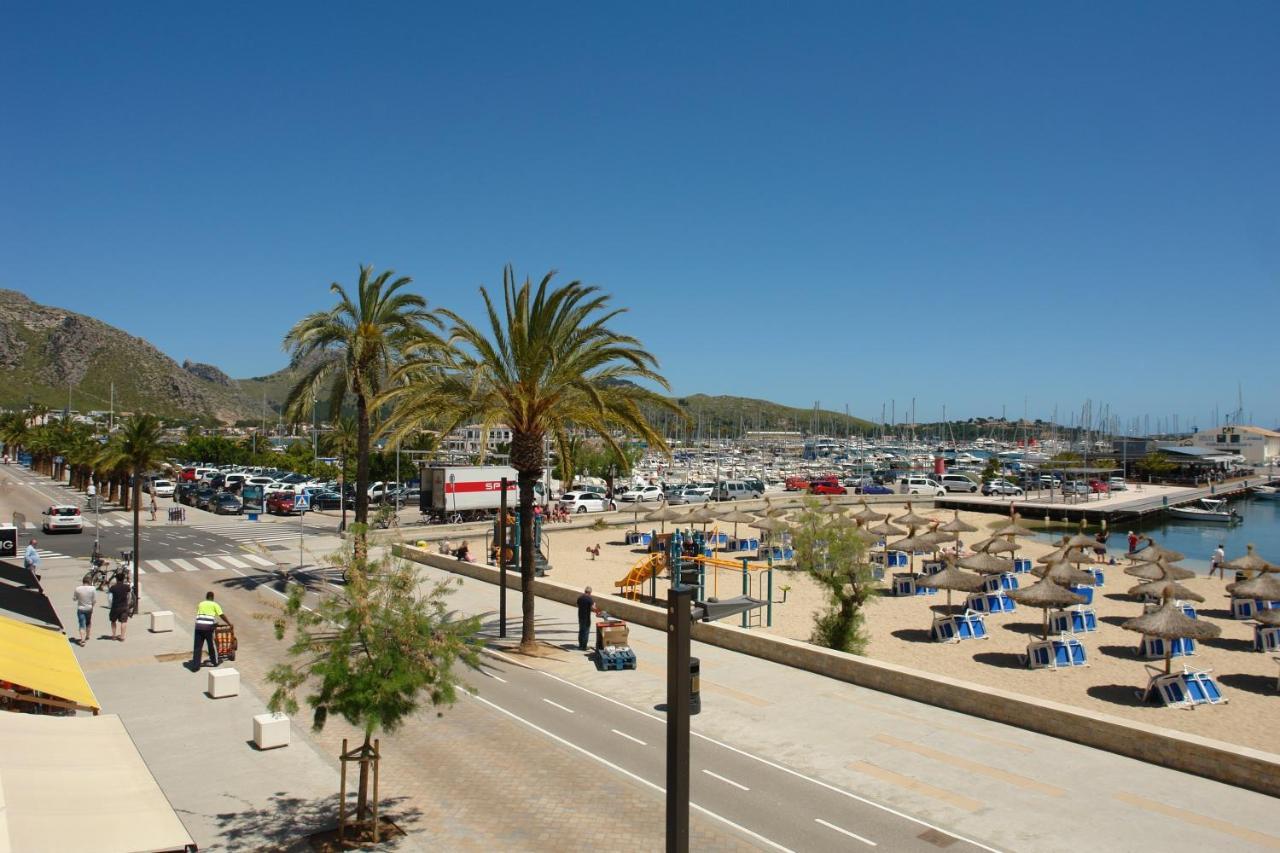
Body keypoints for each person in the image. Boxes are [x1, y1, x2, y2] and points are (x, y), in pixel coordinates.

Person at [191, 591, 232, 670]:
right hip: (208, 628)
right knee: (211, 645)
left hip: (198, 626)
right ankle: (215, 662)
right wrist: (229, 623)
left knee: (197, 646)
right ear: (213, 598)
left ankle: (195, 666)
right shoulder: (215, 604)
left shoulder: (201, 604)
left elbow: (204, 615)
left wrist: (213, 623)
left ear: (206, 597)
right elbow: (221, 615)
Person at [72, 574, 97, 646]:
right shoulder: (93, 589)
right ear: (89, 582)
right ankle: (88, 635)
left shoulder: (78, 589)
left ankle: (82, 640)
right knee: (88, 622)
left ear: (83, 582)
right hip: (89, 608)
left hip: (81, 608)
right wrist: (92, 606)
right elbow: (94, 600)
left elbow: (74, 599)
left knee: (81, 624)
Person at [108, 572, 132, 641]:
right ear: (123, 579)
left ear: (116, 579)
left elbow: (110, 598)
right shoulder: (126, 587)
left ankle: (114, 636)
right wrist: (128, 603)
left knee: (113, 621)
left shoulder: (113, 588)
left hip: (115, 606)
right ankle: (122, 636)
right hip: (124, 606)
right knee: (123, 621)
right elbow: (129, 596)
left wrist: (110, 606)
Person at [576, 586, 600, 651]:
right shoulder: (589, 599)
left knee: (581, 630)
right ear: (590, 592)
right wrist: (594, 605)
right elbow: (593, 608)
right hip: (586, 618)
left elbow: (578, 605)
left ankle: (580, 645)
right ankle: (584, 646)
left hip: (580, 616)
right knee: (586, 631)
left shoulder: (580, 597)